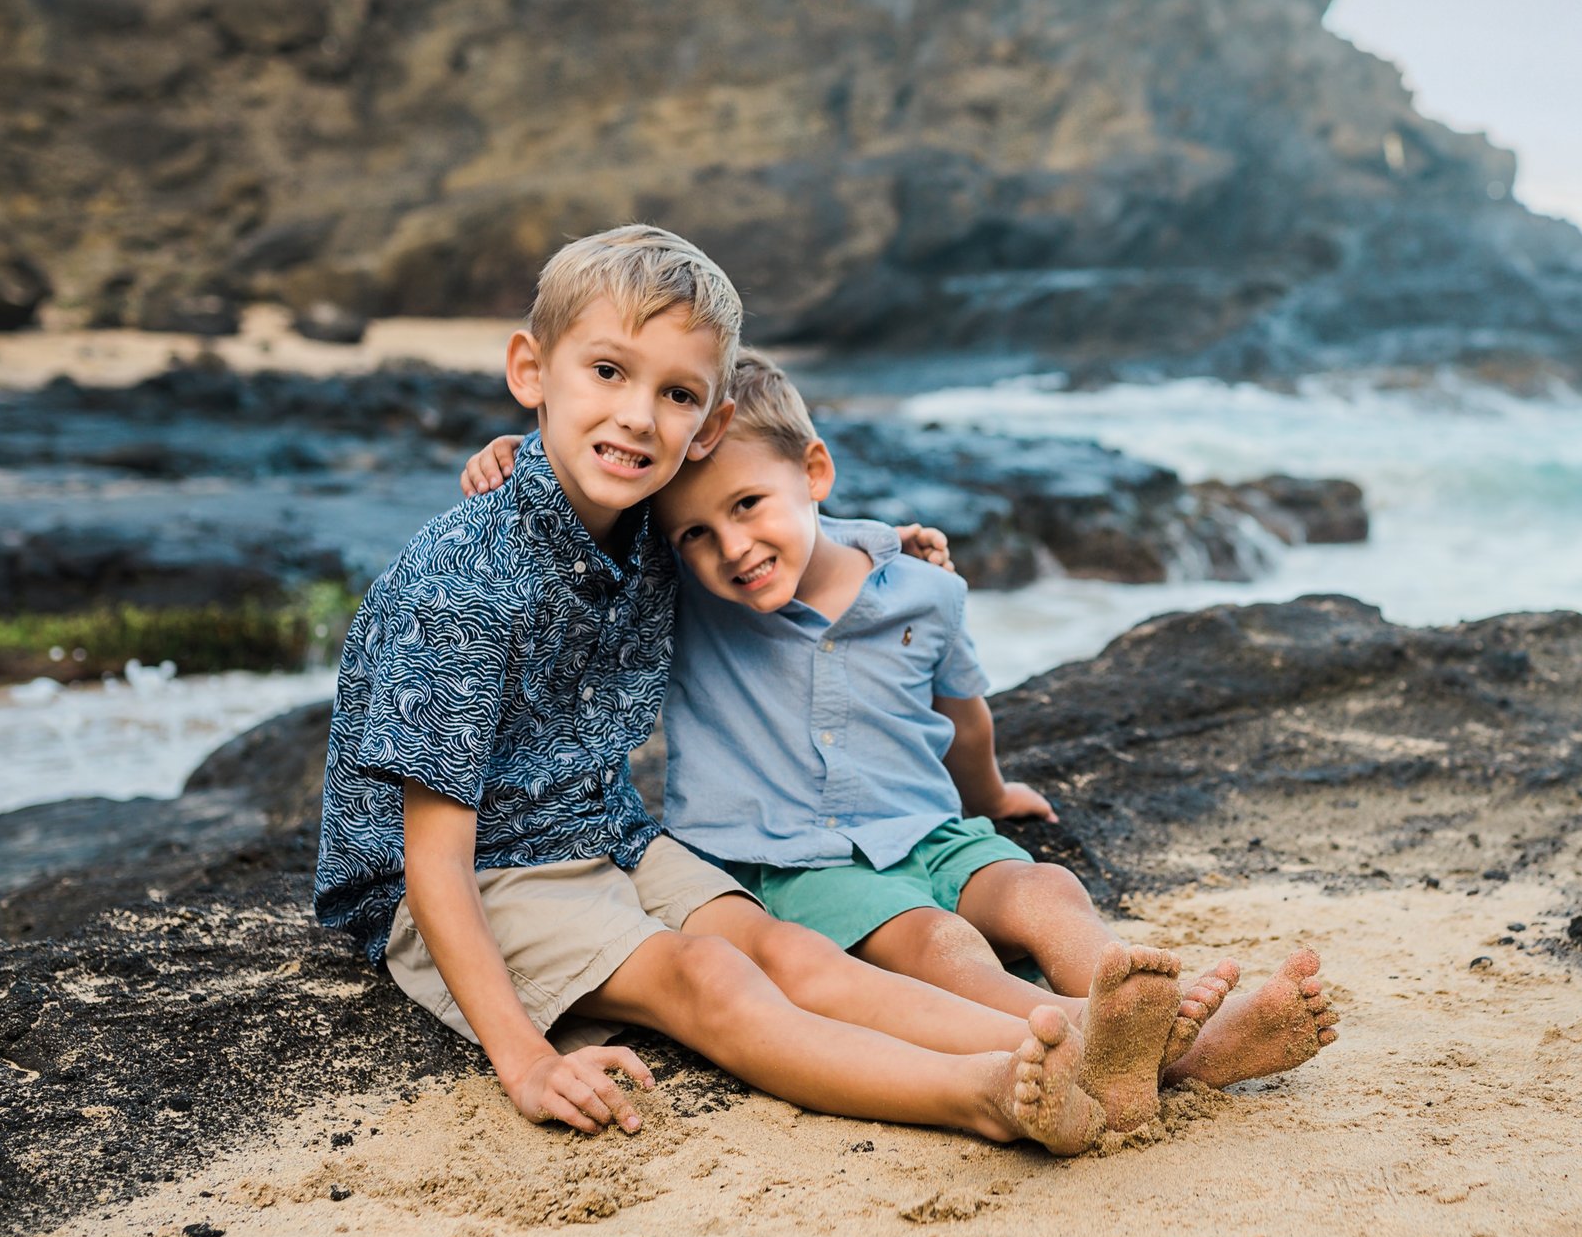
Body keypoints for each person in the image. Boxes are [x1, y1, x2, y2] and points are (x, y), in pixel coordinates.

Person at [316, 224, 1112, 1152]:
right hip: (465, 878)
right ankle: (978, 1091)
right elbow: (435, 860)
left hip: (604, 829)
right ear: (531, 371)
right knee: (710, 977)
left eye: (677, 393)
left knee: (787, 948)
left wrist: (886, 543)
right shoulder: (462, 581)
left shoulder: (661, 529)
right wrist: (525, 1058)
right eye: (606, 372)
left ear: (710, 424)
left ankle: (1094, 1046)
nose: (639, 417)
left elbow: (770, 518)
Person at [460, 350, 1340, 1133]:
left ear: (816, 471)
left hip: (925, 823)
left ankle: (1133, 1004)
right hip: (801, 858)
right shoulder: (691, 593)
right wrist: (518, 456)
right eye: (695, 531)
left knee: (1044, 886)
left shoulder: (924, 590)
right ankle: (1142, 1047)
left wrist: (989, 797)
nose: (732, 546)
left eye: (749, 505)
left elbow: (963, 718)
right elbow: (593, 505)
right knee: (939, 943)